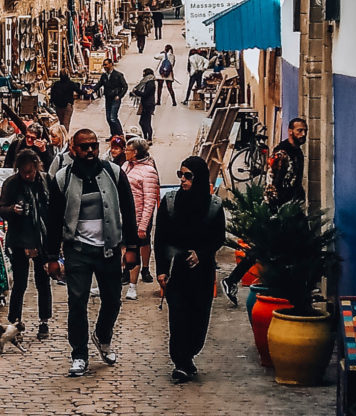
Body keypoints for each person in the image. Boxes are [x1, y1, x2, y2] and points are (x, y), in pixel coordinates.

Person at [45, 128, 139, 377]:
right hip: (77, 250)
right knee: (77, 302)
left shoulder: (113, 173)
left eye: (93, 146)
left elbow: (129, 212)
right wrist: (52, 257)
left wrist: (132, 248)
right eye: (83, 147)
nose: (89, 151)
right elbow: (53, 219)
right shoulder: (63, 178)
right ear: (74, 149)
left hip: (108, 248)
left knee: (113, 299)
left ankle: (102, 335)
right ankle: (79, 354)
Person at [155, 155, 227, 382]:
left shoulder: (213, 206)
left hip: (202, 272)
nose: (183, 180)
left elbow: (219, 237)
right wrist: (162, 269)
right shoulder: (170, 202)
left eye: (188, 176)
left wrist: (202, 253)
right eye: (181, 175)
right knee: (178, 317)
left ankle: (189, 356)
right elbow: (161, 238)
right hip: (177, 270)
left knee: (198, 317)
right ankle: (180, 362)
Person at [0, 147, 52, 338]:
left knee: (43, 282)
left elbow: (53, 209)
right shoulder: (12, 184)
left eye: (31, 171)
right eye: (24, 172)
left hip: (42, 239)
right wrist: (13, 209)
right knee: (20, 284)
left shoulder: (46, 181)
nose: (27, 176)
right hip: (19, 240)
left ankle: (44, 322)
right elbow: (1, 209)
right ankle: (14, 322)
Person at [122, 137, 160, 297]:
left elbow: (149, 200)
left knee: (134, 250)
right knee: (122, 249)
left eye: (128, 150)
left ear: (135, 152)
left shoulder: (149, 171)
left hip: (137, 218)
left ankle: (132, 286)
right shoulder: (125, 166)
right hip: (122, 216)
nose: (125, 152)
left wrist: (143, 225)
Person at [268, 116, 308, 207]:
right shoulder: (282, 152)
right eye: (299, 130)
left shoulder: (297, 151)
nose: (303, 134)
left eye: (305, 131)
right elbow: (272, 179)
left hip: (294, 199)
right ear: (290, 131)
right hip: (281, 203)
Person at [93, 61, 127, 136]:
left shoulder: (118, 75)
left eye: (106, 65)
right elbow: (99, 84)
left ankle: (120, 134)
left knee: (113, 117)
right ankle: (113, 134)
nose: (105, 67)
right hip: (108, 98)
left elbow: (125, 86)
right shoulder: (104, 76)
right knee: (108, 118)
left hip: (115, 99)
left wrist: (120, 96)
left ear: (111, 64)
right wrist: (93, 90)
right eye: (104, 65)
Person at [49, 67, 79, 134]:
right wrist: (88, 92)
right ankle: (64, 140)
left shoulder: (56, 84)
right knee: (66, 124)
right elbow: (79, 91)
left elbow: (52, 94)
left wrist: (52, 102)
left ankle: (62, 139)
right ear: (68, 75)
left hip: (58, 106)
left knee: (62, 123)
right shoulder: (71, 84)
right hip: (67, 106)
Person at [131, 68, 158, 142]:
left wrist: (136, 92)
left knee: (146, 122)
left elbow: (145, 94)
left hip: (148, 105)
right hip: (145, 104)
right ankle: (146, 136)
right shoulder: (146, 82)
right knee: (143, 122)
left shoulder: (150, 83)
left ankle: (148, 137)